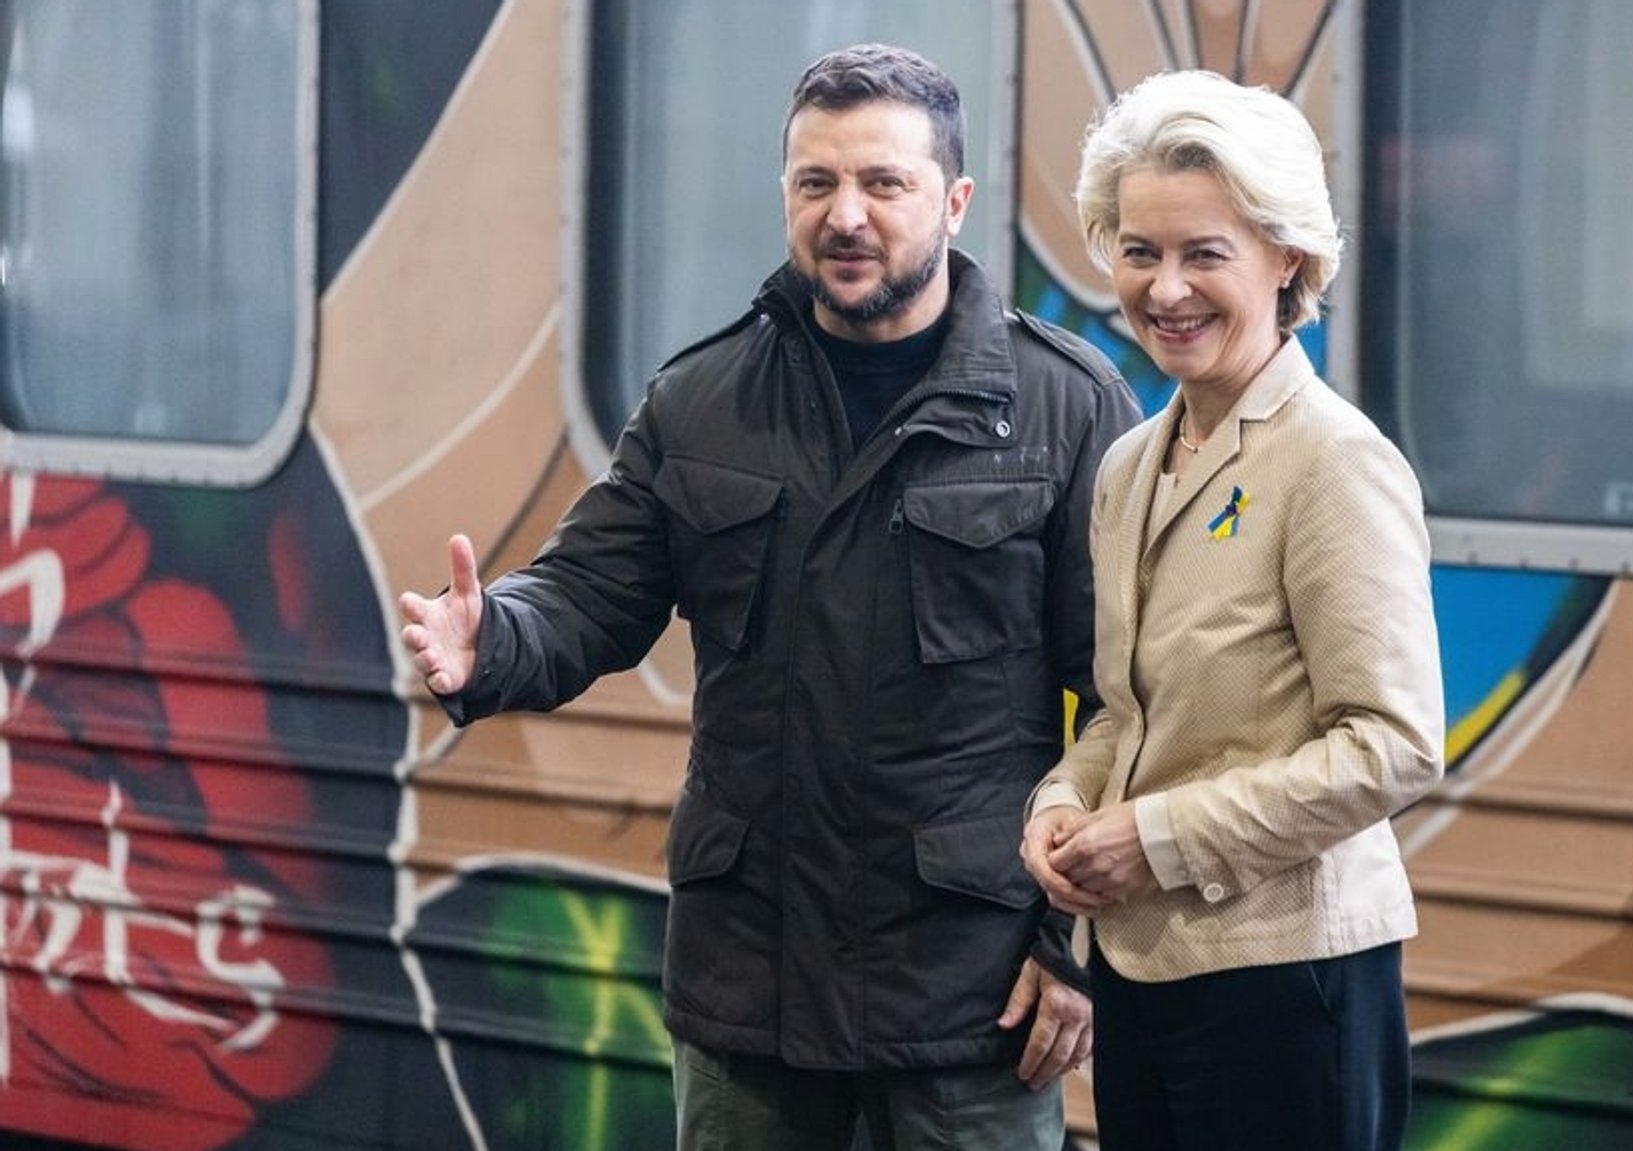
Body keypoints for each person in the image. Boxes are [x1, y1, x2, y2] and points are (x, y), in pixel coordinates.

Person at [399, 43, 1139, 1150]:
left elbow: (1132, 699)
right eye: (816, 182)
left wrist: (1065, 942)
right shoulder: (702, 401)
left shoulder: (1062, 409)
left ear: (953, 201)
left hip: (968, 998)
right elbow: (591, 590)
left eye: (882, 184)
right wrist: (494, 633)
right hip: (753, 991)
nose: (846, 215)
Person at [1019, 70, 1446, 1151]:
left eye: (1203, 253)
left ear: (1285, 258)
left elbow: (1392, 746)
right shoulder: (1129, 461)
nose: (1164, 289)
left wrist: (1154, 837)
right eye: (1138, 250)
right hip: (1145, 972)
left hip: (1291, 984)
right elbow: (1125, 707)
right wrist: (1059, 805)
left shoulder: (1334, 461)